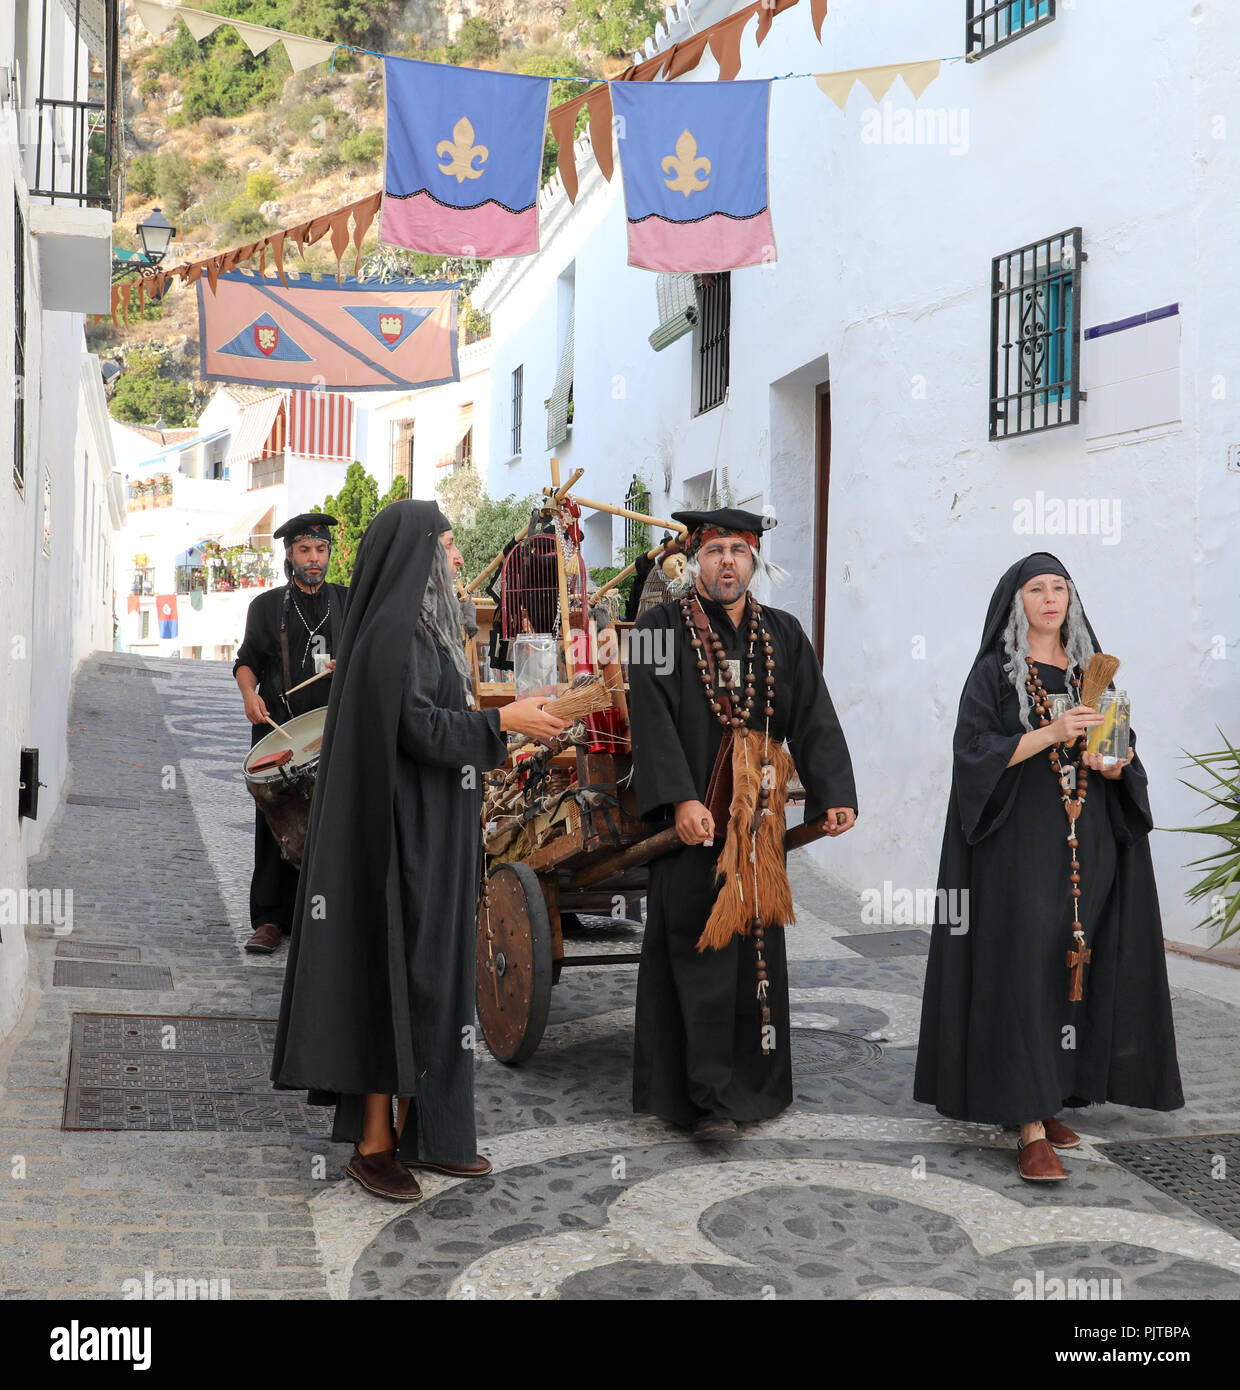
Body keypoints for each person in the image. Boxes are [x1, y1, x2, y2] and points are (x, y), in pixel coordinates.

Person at [270, 499, 566, 1202]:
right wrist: (504, 723)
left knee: (435, 981)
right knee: (396, 982)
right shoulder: (390, 638)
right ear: (418, 558)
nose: (461, 559)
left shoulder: (425, 633)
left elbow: (438, 723)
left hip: (435, 836)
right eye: (450, 545)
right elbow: (425, 731)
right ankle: (375, 1145)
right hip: (399, 844)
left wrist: (508, 720)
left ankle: (426, 1131)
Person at [914, 553, 1183, 1181]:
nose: (1050, 598)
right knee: (1026, 967)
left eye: (1060, 587)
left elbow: (1120, 758)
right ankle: (1029, 1124)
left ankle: (1052, 1094)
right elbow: (974, 756)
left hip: (1087, 843)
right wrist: (1054, 730)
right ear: (1017, 604)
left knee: (1075, 965)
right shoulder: (992, 676)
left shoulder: (1096, 675)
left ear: (1073, 599)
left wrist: (1111, 761)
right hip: (1021, 845)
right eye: (1036, 588)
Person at [626, 507, 857, 1139]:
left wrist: (833, 793)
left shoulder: (782, 633)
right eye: (714, 550)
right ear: (694, 559)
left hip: (756, 830)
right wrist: (679, 799)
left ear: (755, 560)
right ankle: (702, 1101)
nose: (727, 561)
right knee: (696, 957)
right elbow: (648, 717)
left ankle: (754, 1089)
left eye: (739, 550)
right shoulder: (656, 628)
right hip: (695, 827)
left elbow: (813, 716)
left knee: (756, 954)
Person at [233, 513, 348, 955]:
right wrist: (248, 694)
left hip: (330, 733)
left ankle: (315, 917)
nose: (314, 559)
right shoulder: (264, 607)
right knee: (274, 825)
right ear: (289, 555)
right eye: (305, 551)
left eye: (320, 550)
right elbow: (246, 662)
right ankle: (267, 921)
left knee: (326, 826)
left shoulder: (348, 602)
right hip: (277, 732)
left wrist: (349, 664)